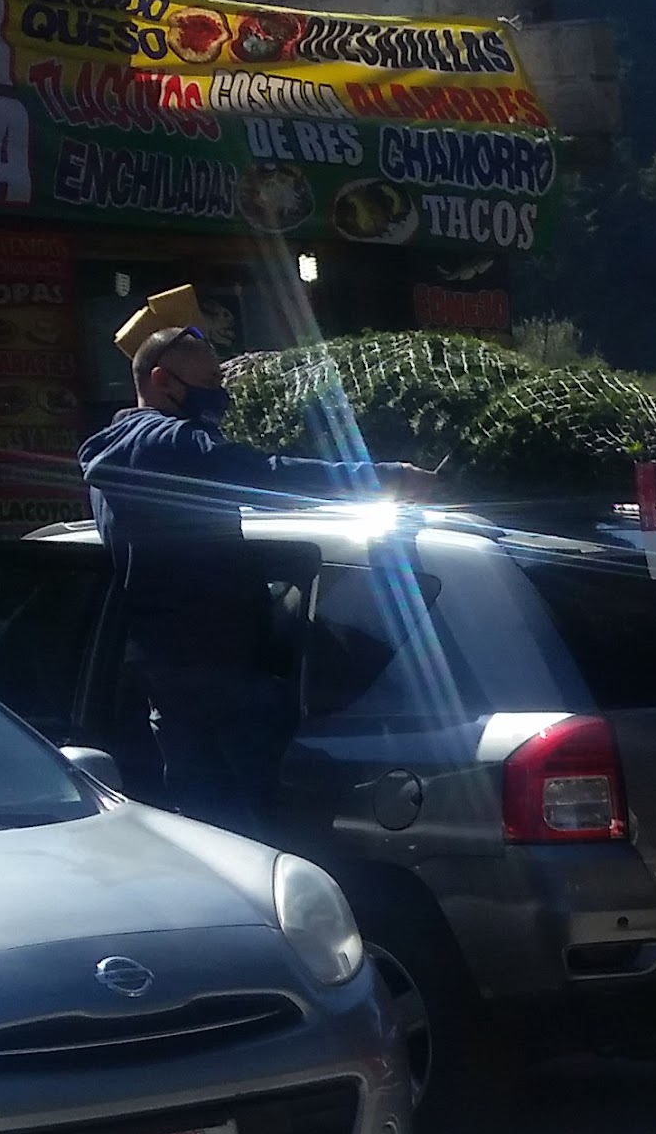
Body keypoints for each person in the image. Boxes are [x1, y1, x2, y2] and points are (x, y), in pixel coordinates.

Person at [74, 289, 422, 825]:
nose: (219, 398)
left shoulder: (110, 451)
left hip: (164, 666)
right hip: (224, 662)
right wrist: (387, 478)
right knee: (266, 816)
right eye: (210, 386)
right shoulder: (176, 443)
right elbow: (272, 475)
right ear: (163, 382)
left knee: (200, 815)